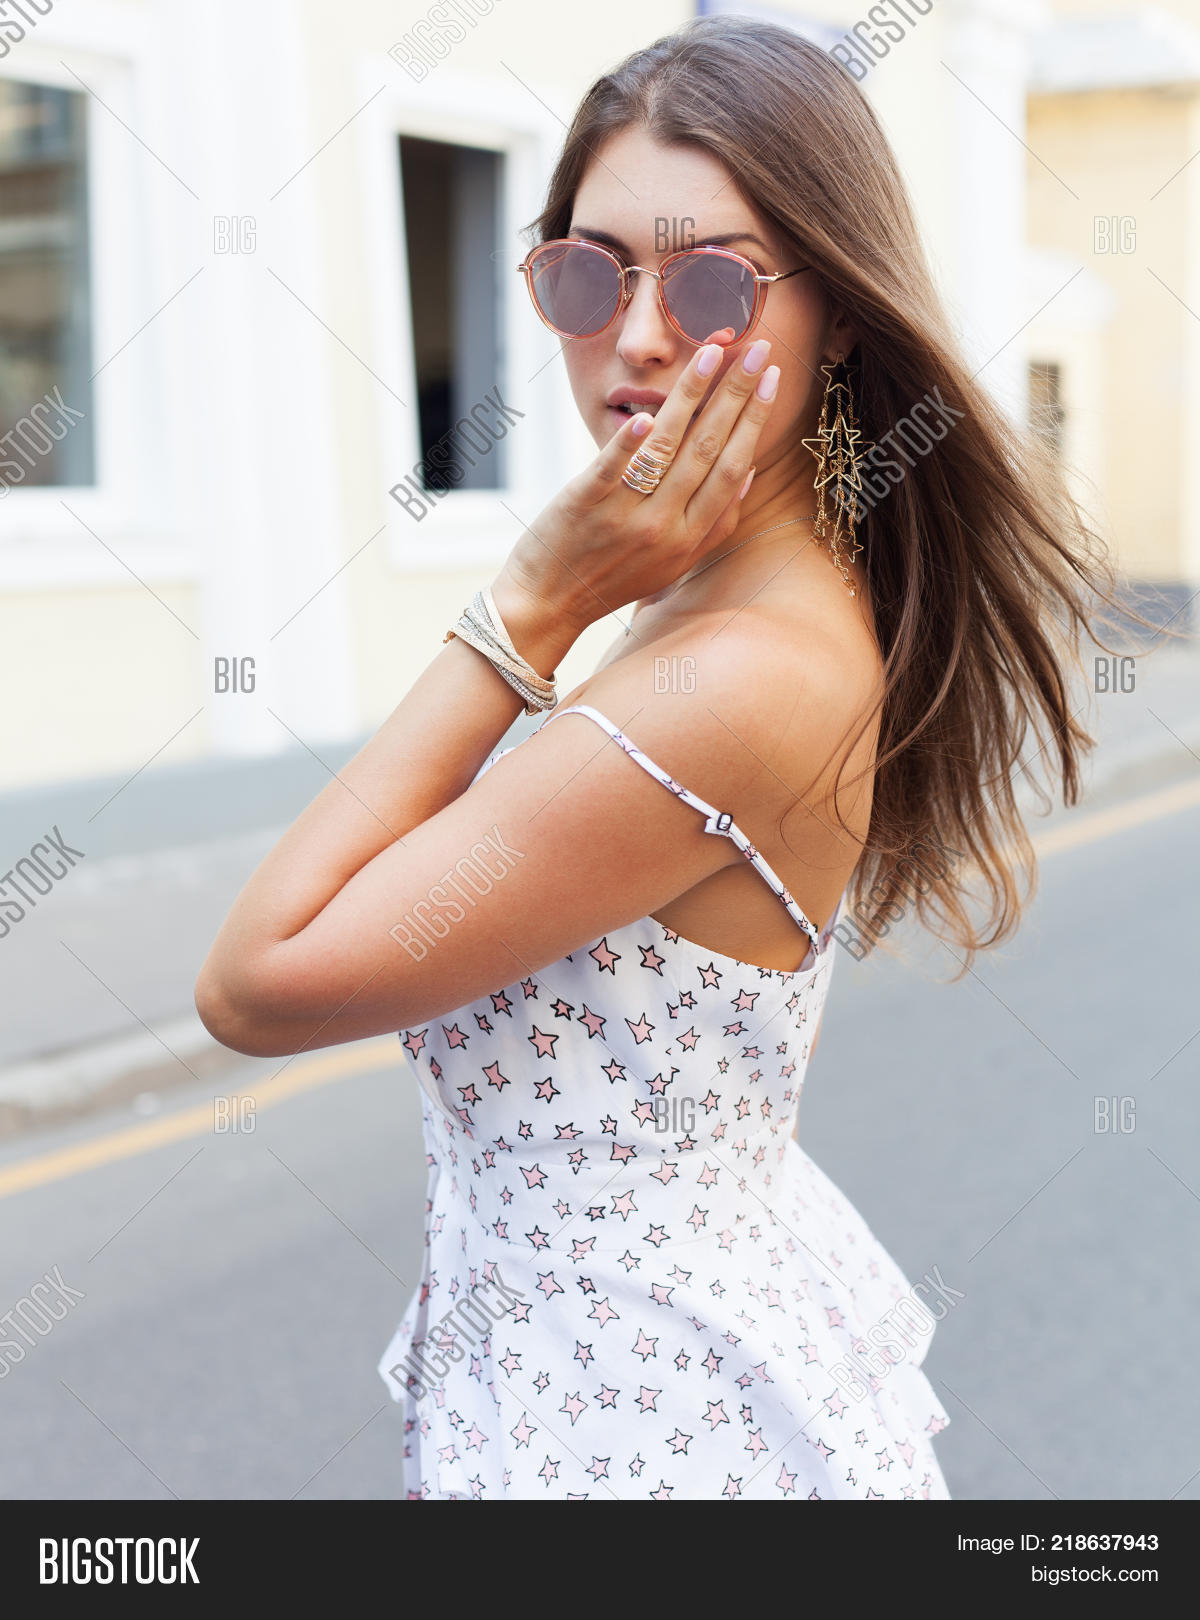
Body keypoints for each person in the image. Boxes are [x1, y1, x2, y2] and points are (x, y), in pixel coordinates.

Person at [195, 16, 1124, 1499]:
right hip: (614, 1370)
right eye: (589, 269)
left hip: (640, 1420)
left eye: (710, 283)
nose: (634, 337)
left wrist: (528, 607)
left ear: (840, 315)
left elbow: (255, 982)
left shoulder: (733, 677)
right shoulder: (707, 601)